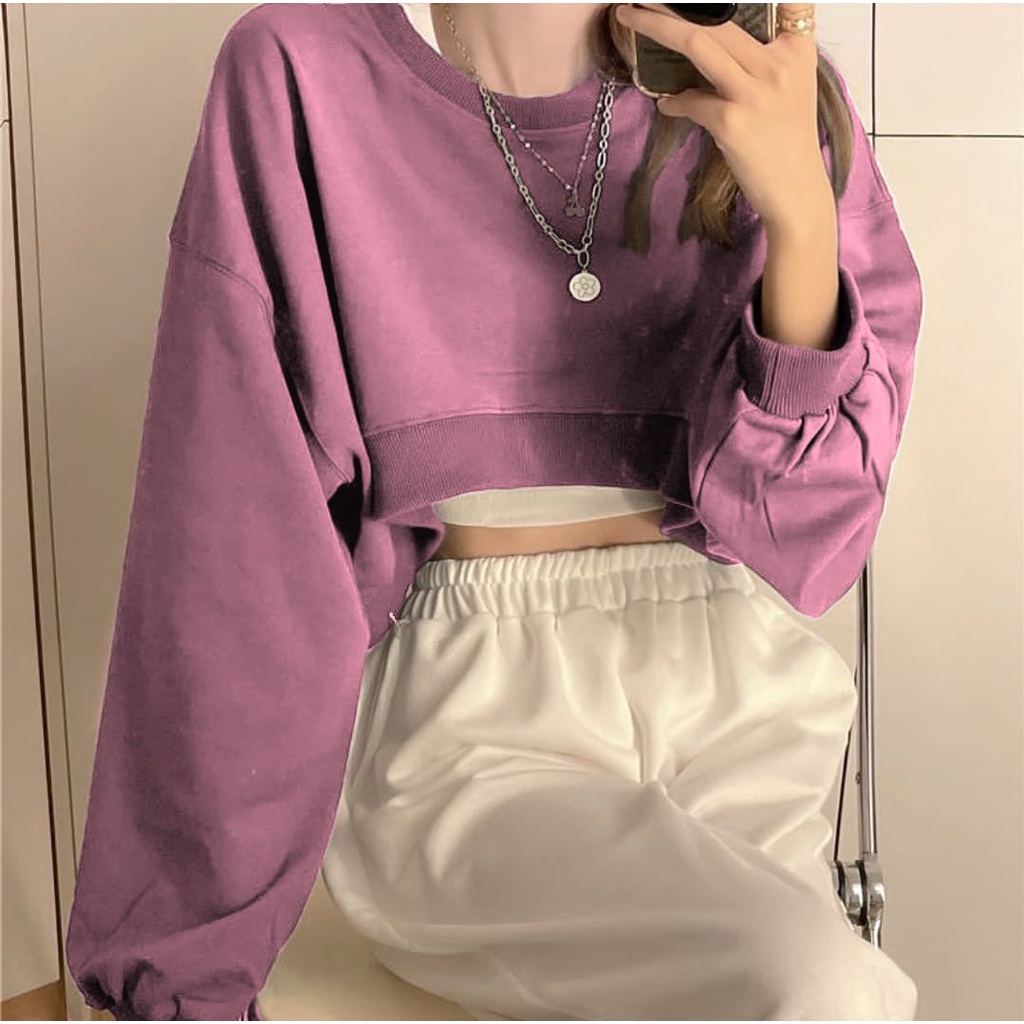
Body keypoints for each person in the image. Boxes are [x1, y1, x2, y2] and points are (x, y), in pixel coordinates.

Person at [65, 2, 924, 1020]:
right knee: (819, 988)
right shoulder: (302, 73)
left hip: (745, 703)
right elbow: (234, 549)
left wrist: (801, 219)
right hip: (472, 737)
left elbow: (814, 539)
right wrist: (179, 980)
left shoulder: (758, 78)